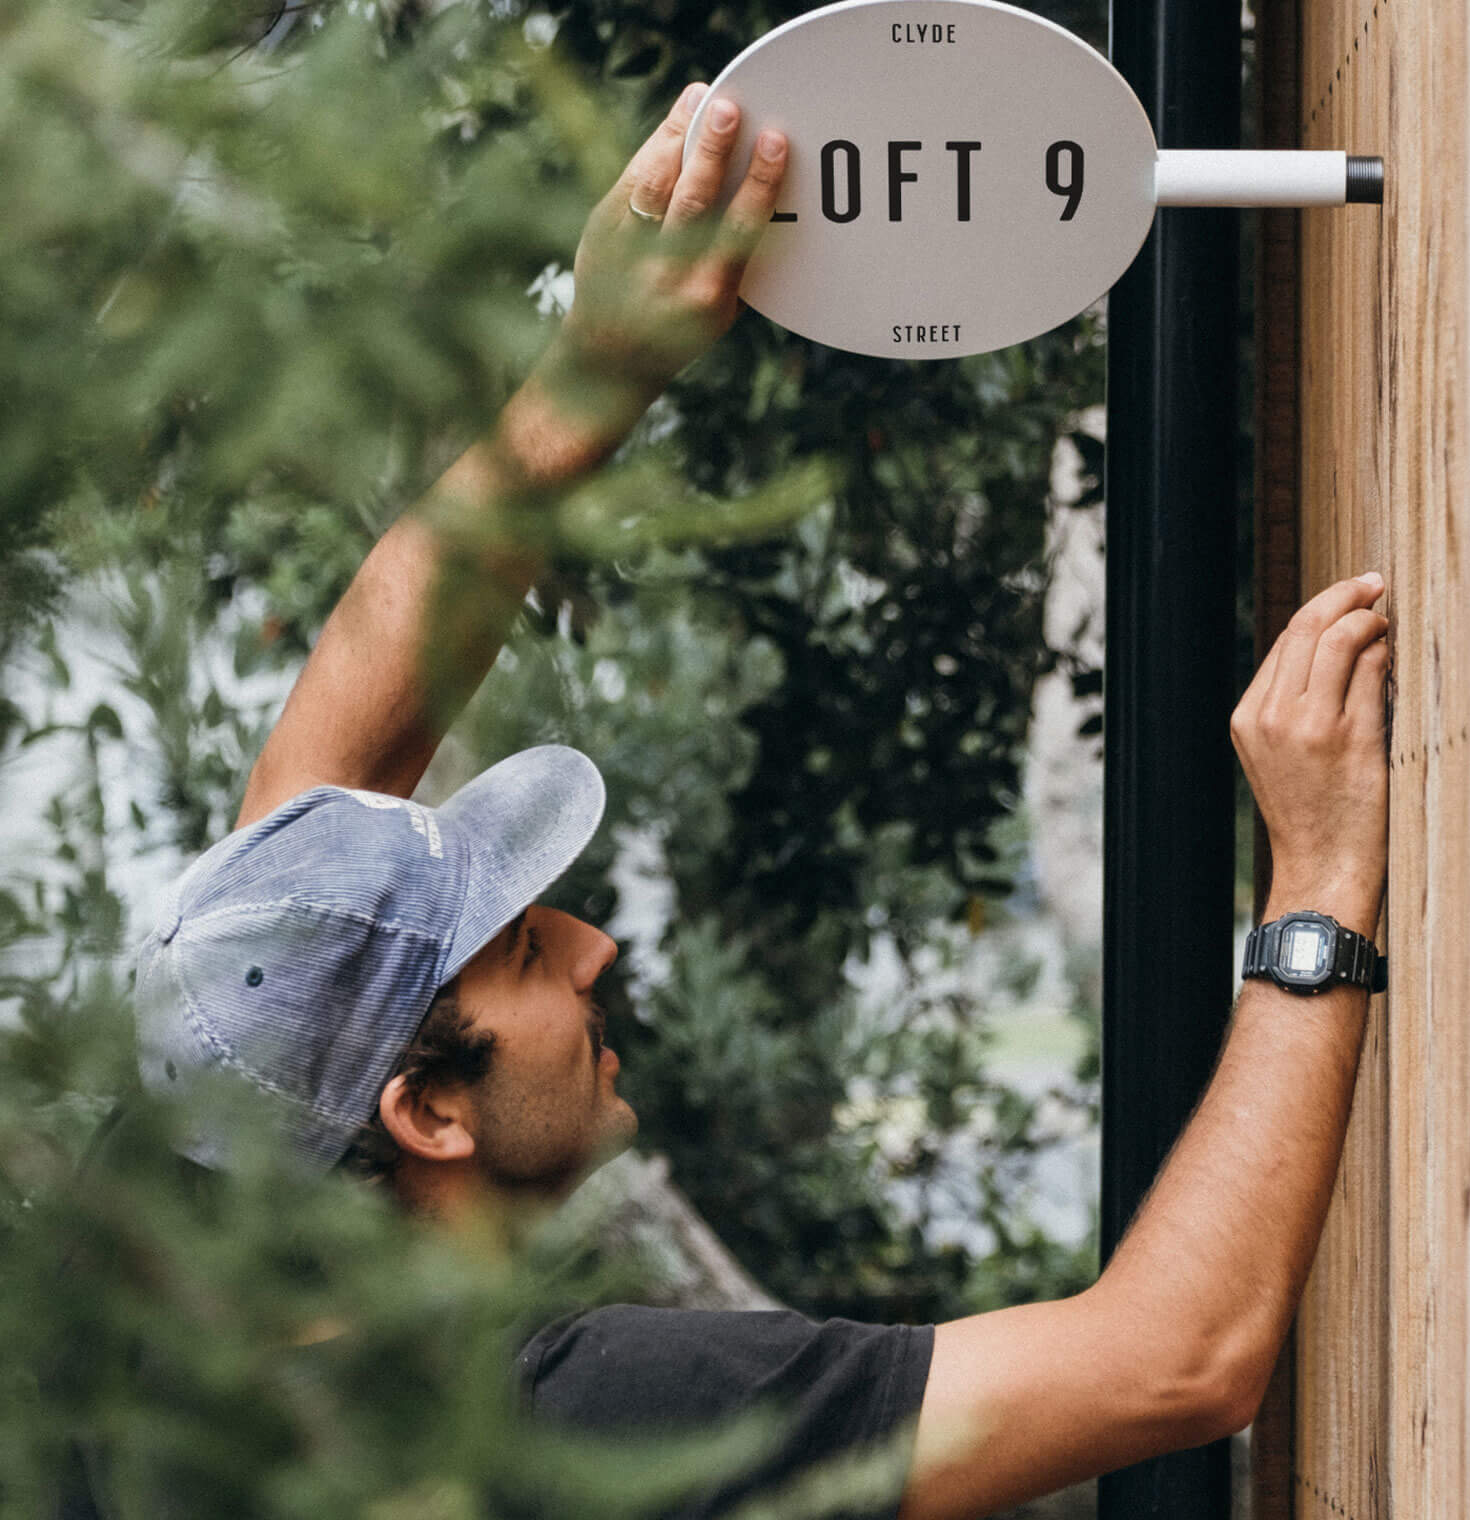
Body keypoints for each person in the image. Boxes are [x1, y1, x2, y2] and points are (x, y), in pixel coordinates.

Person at [132, 84, 1396, 1520]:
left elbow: (316, 827)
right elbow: (1174, 1363)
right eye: (529, 954)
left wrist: (597, 367)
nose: (597, 947)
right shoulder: (570, 1427)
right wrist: (1319, 880)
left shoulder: (187, 1304)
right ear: (426, 1112)